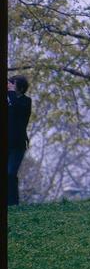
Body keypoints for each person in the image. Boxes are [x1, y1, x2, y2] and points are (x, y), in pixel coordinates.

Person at [8, 75, 32, 206]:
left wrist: (10, 93)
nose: (10, 85)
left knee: (10, 173)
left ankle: (12, 203)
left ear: (21, 88)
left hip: (18, 145)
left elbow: (18, 112)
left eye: (13, 84)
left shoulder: (26, 101)